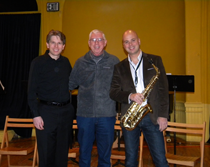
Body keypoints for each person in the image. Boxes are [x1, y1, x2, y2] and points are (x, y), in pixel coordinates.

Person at [109, 30, 169, 167]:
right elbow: (113, 92)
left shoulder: (155, 61)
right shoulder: (119, 67)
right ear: (123, 45)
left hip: (152, 116)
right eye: (126, 41)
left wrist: (163, 115)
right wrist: (130, 96)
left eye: (133, 40)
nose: (130, 44)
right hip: (130, 117)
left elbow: (163, 90)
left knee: (160, 159)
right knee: (130, 160)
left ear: (139, 41)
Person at [69, 29, 120, 167]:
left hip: (107, 115)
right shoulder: (80, 62)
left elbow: (121, 85)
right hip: (85, 116)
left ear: (105, 43)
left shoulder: (114, 61)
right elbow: (70, 85)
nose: (96, 43)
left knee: (105, 156)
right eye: (93, 40)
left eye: (99, 40)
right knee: (84, 155)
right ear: (88, 43)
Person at [28, 30, 74, 167]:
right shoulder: (37, 62)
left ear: (63, 46)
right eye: (53, 42)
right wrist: (36, 115)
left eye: (59, 43)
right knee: (46, 154)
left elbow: (72, 85)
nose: (56, 46)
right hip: (46, 113)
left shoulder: (66, 62)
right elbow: (30, 92)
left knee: (62, 154)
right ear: (47, 44)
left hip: (65, 113)